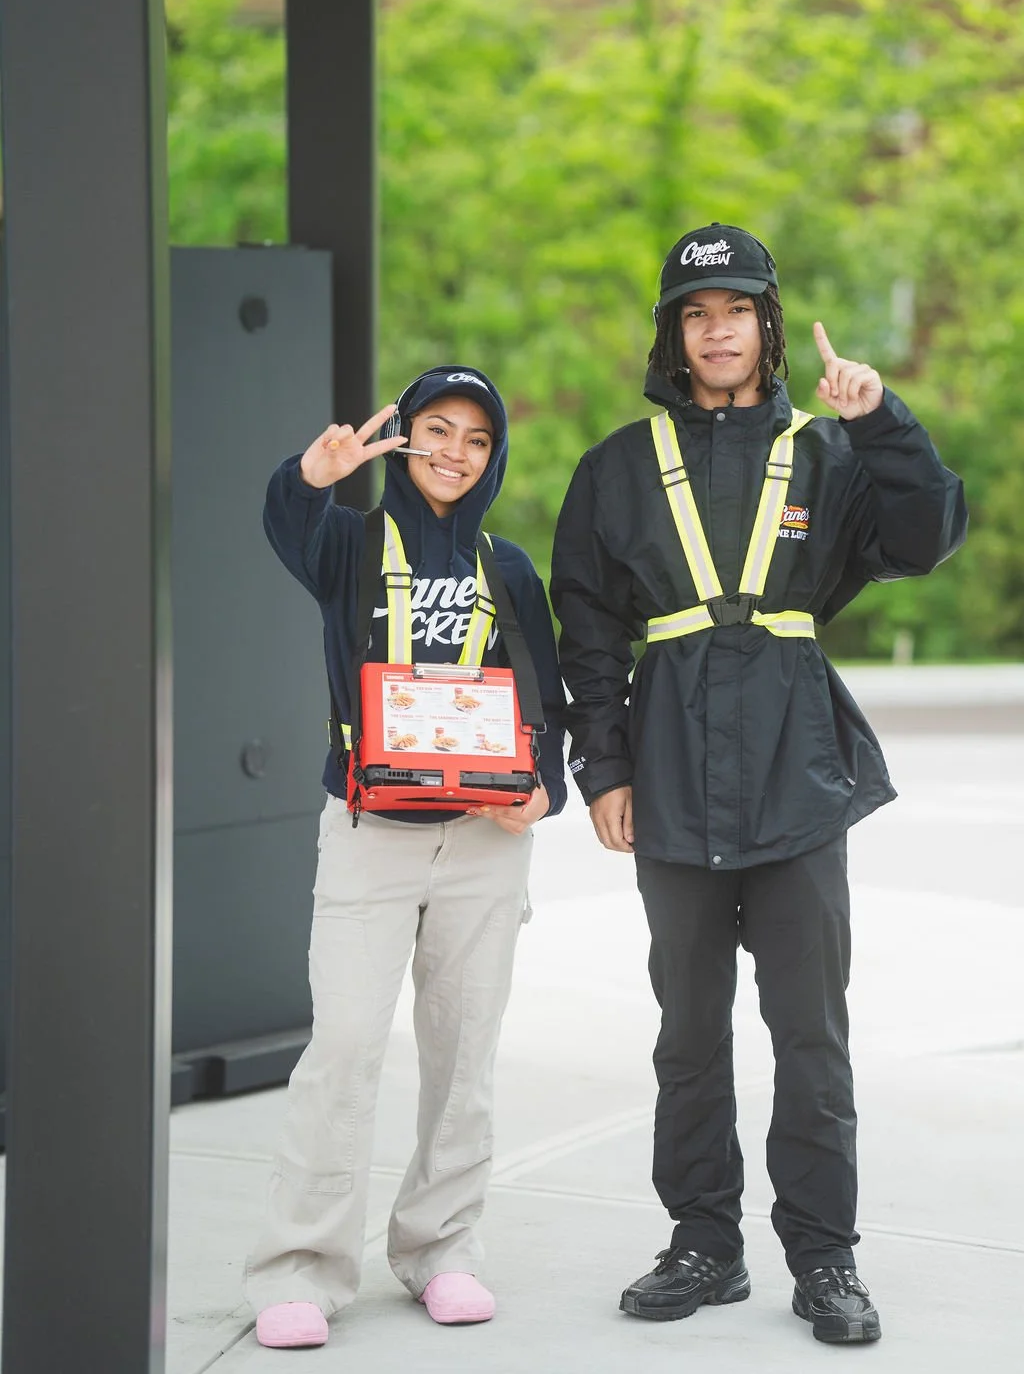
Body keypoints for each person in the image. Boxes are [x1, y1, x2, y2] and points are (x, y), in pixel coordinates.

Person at [550, 224, 967, 1346]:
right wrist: (604, 767)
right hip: (673, 782)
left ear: (766, 326)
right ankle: (702, 1243)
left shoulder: (831, 453)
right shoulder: (617, 468)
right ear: (672, 335)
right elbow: (585, 633)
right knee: (687, 1035)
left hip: (796, 779)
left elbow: (928, 537)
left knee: (809, 1036)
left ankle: (824, 1259)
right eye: (695, 312)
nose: (717, 327)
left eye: (736, 309)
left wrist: (878, 419)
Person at [246, 365, 566, 1349]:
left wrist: (540, 786)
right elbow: (283, 523)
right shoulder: (345, 545)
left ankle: (441, 1250)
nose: (454, 453)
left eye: (475, 438)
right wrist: (311, 477)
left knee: (463, 1055)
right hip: (368, 839)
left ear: (493, 455)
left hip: (480, 846)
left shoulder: (506, 567)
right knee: (342, 1048)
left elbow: (542, 695)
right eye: (437, 430)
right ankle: (300, 1268)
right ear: (406, 438)